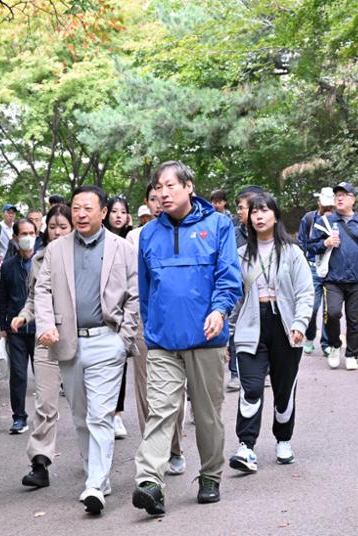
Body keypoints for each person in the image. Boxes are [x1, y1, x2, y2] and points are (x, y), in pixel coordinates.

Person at [132, 161, 241, 516]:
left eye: (170, 186)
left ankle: (210, 476)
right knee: (161, 411)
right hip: (163, 342)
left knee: (207, 415)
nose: (163, 193)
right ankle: (150, 482)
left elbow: (229, 276)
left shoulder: (218, 225)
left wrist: (219, 310)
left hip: (206, 339)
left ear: (189, 186)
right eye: (158, 188)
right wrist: (152, 330)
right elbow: (146, 291)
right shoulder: (148, 234)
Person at [35, 185, 139, 515]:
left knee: (100, 415)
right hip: (68, 342)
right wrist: (45, 324)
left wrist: (124, 339)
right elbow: (42, 290)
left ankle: (94, 483)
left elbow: (135, 294)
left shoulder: (122, 248)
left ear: (103, 213)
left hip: (107, 341)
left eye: (87, 208)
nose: (80, 214)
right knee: (80, 418)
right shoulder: (57, 249)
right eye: (76, 208)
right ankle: (97, 474)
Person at [228, 192, 313, 474]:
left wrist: (299, 324)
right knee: (251, 387)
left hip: (286, 328)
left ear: (275, 216)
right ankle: (246, 446)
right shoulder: (240, 255)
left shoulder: (292, 252)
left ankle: (283, 439)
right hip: (251, 326)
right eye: (254, 211)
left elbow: (305, 292)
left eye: (264, 210)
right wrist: (227, 334)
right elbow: (234, 297)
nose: (259, 216)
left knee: (284, 390)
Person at [126, 182, 187, 476]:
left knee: (175, 387)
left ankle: (175, 447)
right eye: (153, 197)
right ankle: (153, 449)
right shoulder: (135, 236)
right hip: (144, 317)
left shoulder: (187, 231)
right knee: (146, 387)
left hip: (179, 319)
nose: (160, 201)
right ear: (147, 203)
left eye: (165, 194)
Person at [11, 204, 73, 488]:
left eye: (63, 227)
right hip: (46, 337)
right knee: (45, 403)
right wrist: (24, 316)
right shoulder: (39, 258)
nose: (57, 232)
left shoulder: (84, 256)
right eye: (53, 227)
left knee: (85, 406)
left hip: (80, 337)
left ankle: (95, 461)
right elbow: (34, 297)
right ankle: (40, 462)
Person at [308, 181, 358, 370]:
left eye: (344, 195)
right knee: (332, 313)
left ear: (353, 199)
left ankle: (352, 355)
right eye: (337, 195)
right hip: (332, 279)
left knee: (354, 319)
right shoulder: (325, 222)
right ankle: (334, 345)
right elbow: (310, 246)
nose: (339, 198)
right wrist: (325, 243)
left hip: (356, 280)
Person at [0, 218, 38, 434]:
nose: (27, 237)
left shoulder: (44, 262)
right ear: (15, 238)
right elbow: (2, 299)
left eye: (31, 233)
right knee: (18, 375)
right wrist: (3, 327)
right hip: (16, 331)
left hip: (40, 329)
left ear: (37, 235)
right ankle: (19, 417)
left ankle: (46, 415)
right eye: (23, 234)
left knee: (44, 376)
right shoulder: (8, 266)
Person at [228, 185, 266, 392]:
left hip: (263, 294)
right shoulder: (233, 234)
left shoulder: (269, 234)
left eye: (242, 207)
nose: (239, 211)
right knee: (235, 329)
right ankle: (235, 373)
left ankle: (264, 370)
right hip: (238, 290)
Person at [103, 195, 133, 439]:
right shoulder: (98, 240)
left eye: (123, 211)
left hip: (126, 311)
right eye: (114, 211)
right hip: (103, 310)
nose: (119, 216)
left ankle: (117, 414)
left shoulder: (132, 241)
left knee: (120, 361)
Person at [296, 187, 334, 355]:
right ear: (319, 202)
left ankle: (326, 343)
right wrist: (323, 245)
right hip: (312, 268)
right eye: (325, 205)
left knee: (330, 310)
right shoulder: (309, 219)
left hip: (333, 269)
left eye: (330, 205)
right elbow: (302, 244)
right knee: (312, 307)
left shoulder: (338, 220)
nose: (328, 208)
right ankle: (310, 336)